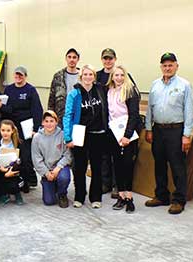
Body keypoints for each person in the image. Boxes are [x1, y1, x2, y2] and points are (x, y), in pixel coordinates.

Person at [144, 53, 193, 215]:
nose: (167, 68)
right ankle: (161, 196)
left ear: (176, 66)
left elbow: (188, 111)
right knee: (159, 163)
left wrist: (186, 134)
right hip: (158, 130)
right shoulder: (154, 85)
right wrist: (149, 129)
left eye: (170, 65)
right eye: (164, 65)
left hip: (175, 130)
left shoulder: (184, 85)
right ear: (161, 67)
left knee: (177, 165)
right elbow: (149, 109)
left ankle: (179, 200)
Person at [63, 64, 108, 209]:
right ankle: (80, 196)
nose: (88, 77)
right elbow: (68, 115)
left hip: (98, 134)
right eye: (85, 75)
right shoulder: (74, 93)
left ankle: (96, 197)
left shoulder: (100, 90)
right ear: (81, 76)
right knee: (80, 167)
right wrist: (68, 137)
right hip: (80, 133)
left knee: (97, 167)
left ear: (94, 77)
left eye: (91, 75)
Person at [96, 48, 137, 198]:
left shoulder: (128, 85)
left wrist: (128, 133)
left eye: (110, 58)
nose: (108, 61)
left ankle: (121, 189)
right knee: (107, 157)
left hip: (124, 129)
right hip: (108, 126)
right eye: (105, 58)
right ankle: (108, 185)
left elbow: (133, 111)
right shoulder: (99, 78)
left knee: (124, 161)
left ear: (115, 59)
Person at [0, 66, 43, 189]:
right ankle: (18, 179)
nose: (18, 77)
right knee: (14, 153)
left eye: (21, 75)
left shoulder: (30, 90)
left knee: (26, 153)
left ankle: (31, 178)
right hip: (12, 126)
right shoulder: (8, 89)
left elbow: (37, 110)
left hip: (27, 125)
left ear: (25, 76)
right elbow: (6, 108)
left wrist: (36, 127)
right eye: (16, 75)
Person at [106, 66, 142, 213]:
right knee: (117, 165)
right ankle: (121, 195)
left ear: (125, 76)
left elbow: (134, 114)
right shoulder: (109, 91)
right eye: (116, 75)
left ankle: (129, 197)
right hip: (113, 133)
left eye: (122, 75)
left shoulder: (130, 90)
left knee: (128, 164)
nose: (119, 78)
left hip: (127, 134)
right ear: (112, 77)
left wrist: (127, 135)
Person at [32, 110, 72, 208]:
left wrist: (58, 168)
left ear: (56, 122)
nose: (49, 124)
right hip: (47, 168)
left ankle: (62, 194)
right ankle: (49, 184)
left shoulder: (62, 135)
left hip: (60, 168)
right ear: (42, 122)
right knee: (49, 201)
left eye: (52, 121)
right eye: (46, 121)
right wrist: (46, 173)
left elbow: (68, 155)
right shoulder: (37, 138)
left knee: (64, 178)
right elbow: (36, 159)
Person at [0, 120, 26, 206]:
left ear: (12, 131)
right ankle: (4, 194)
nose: (5, 133)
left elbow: (24, 161)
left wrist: (12, 170)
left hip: (15, 171)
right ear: (0, 130)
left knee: (13, 179)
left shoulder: (19, 144)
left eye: (8, 130)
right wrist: (1, 169)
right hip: (1, 170)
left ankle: (17, 193)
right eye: (3, 130)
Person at [48, 48, 80, 127]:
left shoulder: (83, 76)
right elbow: (51, 99)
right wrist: (51, 118)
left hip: (79, 117)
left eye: (74, 57)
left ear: (78, 59)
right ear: (66, 58)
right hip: (61, 118)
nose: (71, 60)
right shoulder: (58, 76)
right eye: (69, 57)